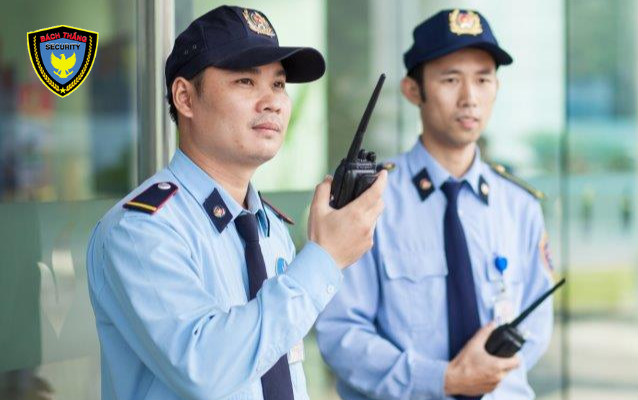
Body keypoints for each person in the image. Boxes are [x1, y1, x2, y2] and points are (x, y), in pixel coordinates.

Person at [85, 6, 386, 400]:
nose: (272, 102)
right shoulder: (141, 230)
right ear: (185, 97)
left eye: (278, 84)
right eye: (245, 81)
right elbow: (204, 368)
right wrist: (324, 258)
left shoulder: (269, 228)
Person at [316, 8, 554, 400]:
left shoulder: (520, 206)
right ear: (413, 90)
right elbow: (341, 332)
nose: (470, 98)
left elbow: (536, 324)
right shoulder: (370, 201)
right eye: (450, 80)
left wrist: (489, 372)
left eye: (483, 79)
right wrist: (441, 380)